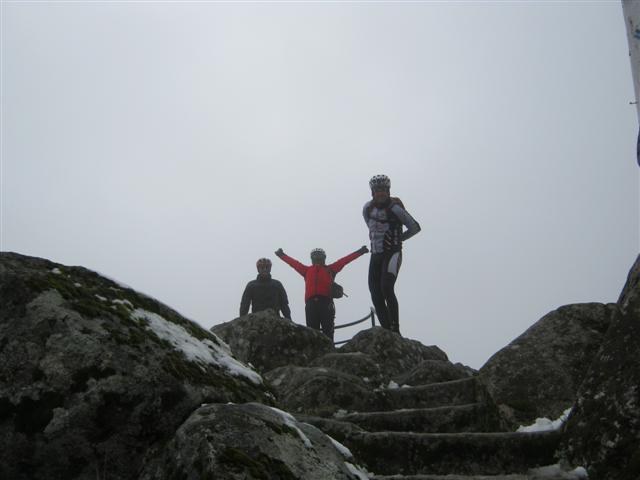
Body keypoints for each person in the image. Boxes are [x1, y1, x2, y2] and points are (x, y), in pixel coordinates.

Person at [363, 174, 421, 334]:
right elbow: (370, 227)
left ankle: (395, 329)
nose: (380, 193)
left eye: (383, 190)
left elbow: (415, 227)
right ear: (373, 192)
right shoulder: (367, 209)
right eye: (377, 190)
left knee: (386, 287)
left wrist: (398, 239)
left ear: (388, 191)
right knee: (375, 293)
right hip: (375, 255)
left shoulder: (395, 209)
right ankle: (386, 330)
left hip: (392, 253)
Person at [275, 246, 368, 341]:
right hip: (314, 304)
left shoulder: (329, 269)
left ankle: (328, 348)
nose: (317, 257)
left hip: (324, 303)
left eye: (319, 255)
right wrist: (282, 255)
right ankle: (323, 348)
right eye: (315, 255)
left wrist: (360, 252)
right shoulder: (308, 270)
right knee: (313, 332)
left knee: (326, 331)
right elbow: (293, 263)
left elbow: (345, 260)